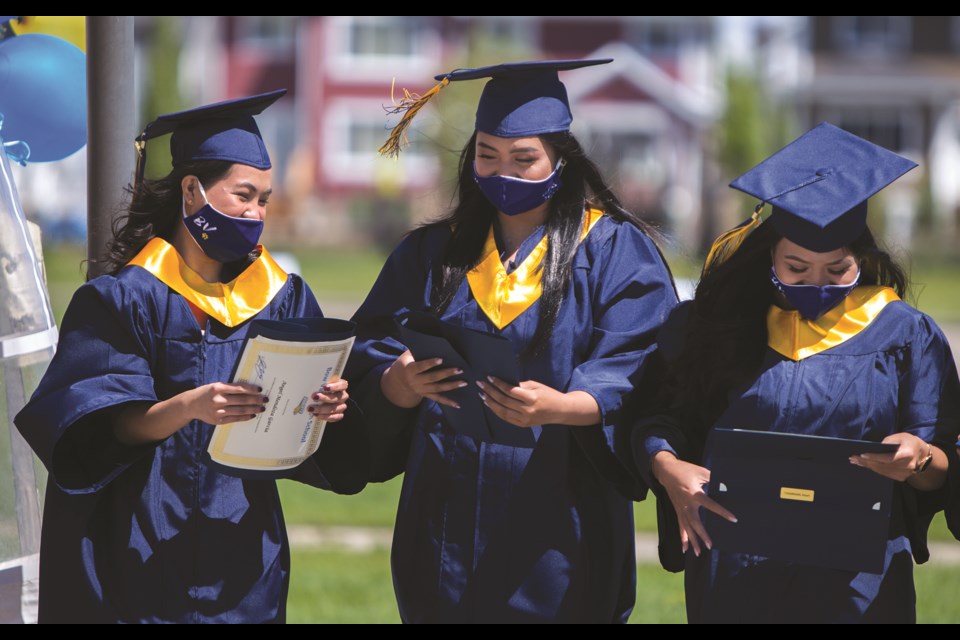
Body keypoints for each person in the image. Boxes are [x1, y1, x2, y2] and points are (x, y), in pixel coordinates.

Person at [14, 90, 368, 623]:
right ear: (191, 190)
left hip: (243, 545)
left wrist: (327, 407)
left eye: (264, 200)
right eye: (243, 195)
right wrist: (189, 407)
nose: (256, 214)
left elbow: (307, 439)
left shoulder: (282, 295)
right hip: (141, 539)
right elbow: (98, 431)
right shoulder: (126, 297)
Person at [348, 59, 677, 623]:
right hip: (443, 522)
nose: (505, 172)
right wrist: (396, 381)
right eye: (487, 155)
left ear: (560, 159)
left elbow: (641, 358)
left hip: (561, 519)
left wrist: (565, 406)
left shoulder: (614, 251)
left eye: (524, 158)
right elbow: (368, 347)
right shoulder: (434, 253)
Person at [630, 122, 960, 623]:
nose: (817, 284)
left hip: (858, 587)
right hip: (737, 576)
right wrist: (667, 466)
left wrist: (918, 460)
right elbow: (659, 418)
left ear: (863, 260)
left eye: (837, 270)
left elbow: (944, 463)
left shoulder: (905, 336)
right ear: (770, 258)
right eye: (796, 268)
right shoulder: (720, 327)